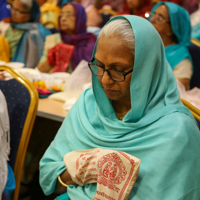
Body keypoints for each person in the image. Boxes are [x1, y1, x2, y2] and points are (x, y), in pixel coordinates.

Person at [39, 15, 200, 199]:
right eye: (98, 65)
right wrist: (85, 169)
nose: (105, 80)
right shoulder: (88, 104)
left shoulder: (177, 131)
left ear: (146, 67)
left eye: (117, 69)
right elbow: (50, 177)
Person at [37, 2, 96, 73]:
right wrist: (52, 57)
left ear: (80, 17)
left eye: (68, 15)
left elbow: (93, 70)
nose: (63, 19)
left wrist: (70, 50)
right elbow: (40, 71)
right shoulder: (53, 38)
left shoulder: (90, 41)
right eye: (61, 15)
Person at [150, 2, 192, 90]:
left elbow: (175, 94)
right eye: (153, 14)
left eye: (160, 18)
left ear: (172, 28)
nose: (152, 20)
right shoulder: (148, 43)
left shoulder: (181, 59)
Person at [4, 0, 51, 68]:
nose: (13, 13)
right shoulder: (12, 27)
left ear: (31, 14)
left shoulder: (35, 33)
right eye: (13, 8)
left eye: (19, 11)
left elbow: (32, 63)